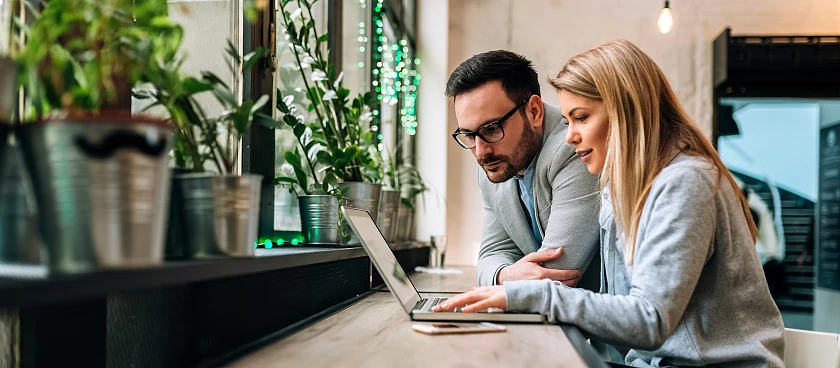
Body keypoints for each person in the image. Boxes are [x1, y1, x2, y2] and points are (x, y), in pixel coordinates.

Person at [436, 40, 785, 367]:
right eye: (570, 120)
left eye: (581, 118)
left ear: (626, 112)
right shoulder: (622, 189)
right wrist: (510, 285)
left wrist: (521, 295)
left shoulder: (685, 182)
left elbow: (650, 320)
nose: (570, 135)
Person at [446, 50, 601, 289]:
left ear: (534, 112)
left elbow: (557, 273)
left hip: (595, 318)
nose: (480, 152)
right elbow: (491, 254)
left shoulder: (576, 147)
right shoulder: (496, 162)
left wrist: (504, 278)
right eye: (469, 135)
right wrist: (504, 275)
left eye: (492, 128)